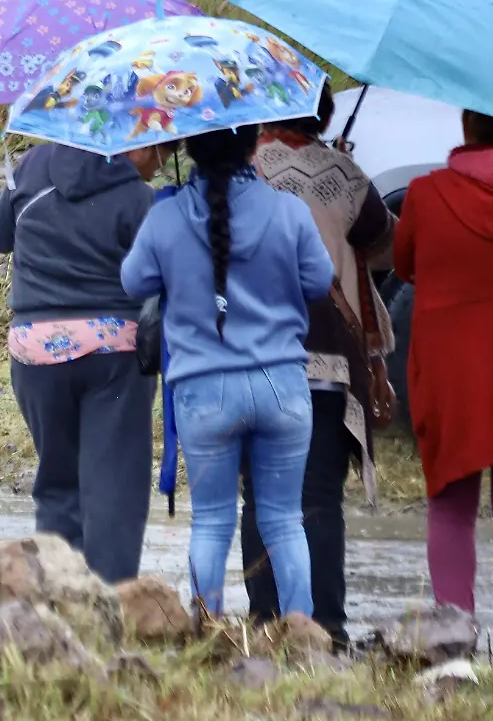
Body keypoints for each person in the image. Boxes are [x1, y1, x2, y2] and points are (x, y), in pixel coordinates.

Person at [121, 124, 332, 618]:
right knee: (284, 521)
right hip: (282, 386)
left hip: (204, 391)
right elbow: (320, 281)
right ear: (252, 145)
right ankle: (302, 638)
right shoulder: (289, 211)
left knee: (212, 522)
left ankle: (207, 632)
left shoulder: (168, 215)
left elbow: (134, 280)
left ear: (188, 147)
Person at [394, 110, 493, 657]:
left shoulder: (425, 193)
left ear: (467, 125)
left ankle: (452, 647)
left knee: (450, 503)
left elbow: (405, 263)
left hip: (449, 370)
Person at [247, 86, 394, 645]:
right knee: (318, 499)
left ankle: (265, 624)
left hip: (253, 355)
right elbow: (384, 245)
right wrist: (342, 171)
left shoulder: (243, 171)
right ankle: (327, 627)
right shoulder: (343, 174)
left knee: (261, 495)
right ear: (323, 113)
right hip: (327, 360)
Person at [0, 140, 167, 585]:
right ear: (135, 143)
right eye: (162, 148)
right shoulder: (139, 199)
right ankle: (110, 606)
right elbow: (155, 274)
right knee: (114, 488)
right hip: (114, 352)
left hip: (36, 347)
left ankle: (59, 604)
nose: (163, 158)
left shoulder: (32, 165)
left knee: (57, 482)